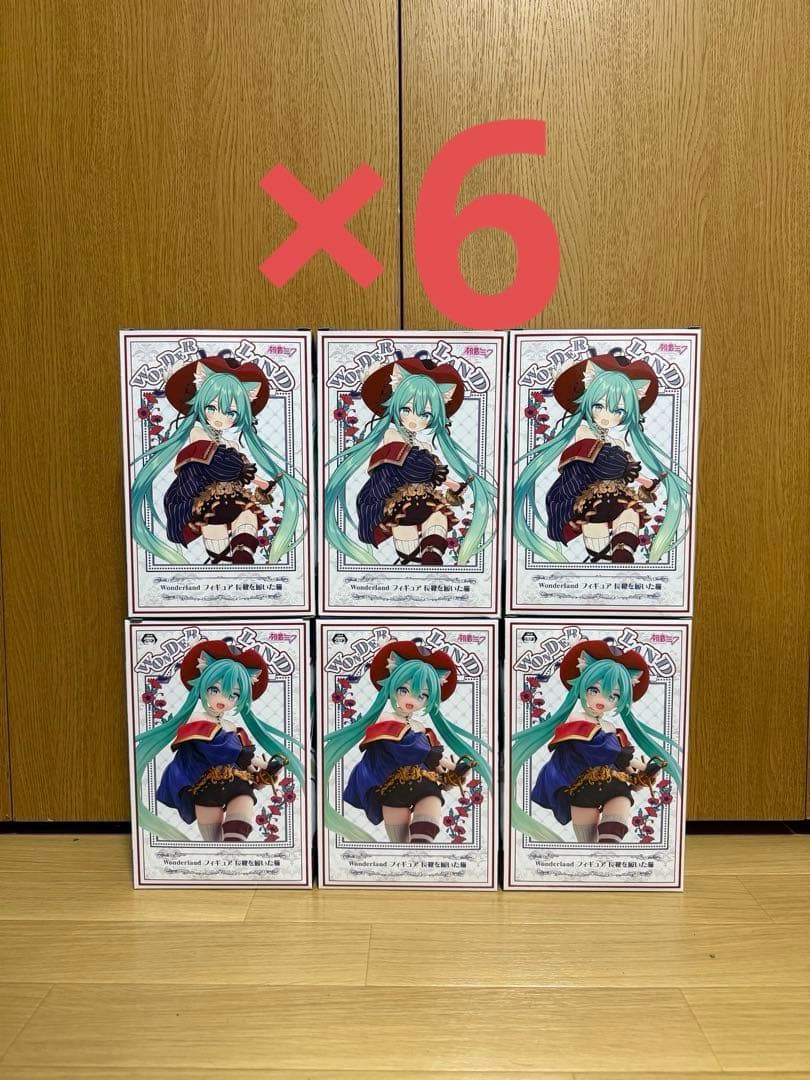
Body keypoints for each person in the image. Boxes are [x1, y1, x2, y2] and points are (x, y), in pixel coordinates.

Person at [513, 348, 690, 564]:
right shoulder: (584, 432)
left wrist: (644, 481)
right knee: (595, 521)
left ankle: (622, 551)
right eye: (599, 406)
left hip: (615, 494)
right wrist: (642, 479)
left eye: (618, 411)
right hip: (586, 496)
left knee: (629, 515)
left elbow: (620, 466)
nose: (606, 416)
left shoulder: (616, 442)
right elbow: (606, 462)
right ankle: (603, 558)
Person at [131, 349, 305, 565]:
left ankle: (242, 554)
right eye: (211, 408)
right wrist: (254, 477)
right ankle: (222, 561)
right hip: (202, 498)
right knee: (214, 524)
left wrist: (263, 483)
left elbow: (238, 469)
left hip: (230, 495)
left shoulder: (229, 444)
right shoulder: (198, 433)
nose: (219, 418)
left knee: (247, 517)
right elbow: (223, 465)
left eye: (230, 413)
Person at [324, 352, 496, 566]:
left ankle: (431, 554)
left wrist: (452, 484)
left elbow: (429, 471)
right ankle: (413, 561)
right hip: (396, 500)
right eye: (406, 409)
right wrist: (443, 477)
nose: (414, 420)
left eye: (425, 414)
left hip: (423, 498)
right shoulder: (392, 435)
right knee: (406, 530)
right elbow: (415, 467)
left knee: (437, 519)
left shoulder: (422, 445)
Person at [511, 639, 681, 844]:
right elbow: (604, 749)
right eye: (594, 690)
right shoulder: (576, 720)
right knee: (588, 844)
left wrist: (640, 778)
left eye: (613, 696)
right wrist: (642, 765)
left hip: (615, 787)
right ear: (581, 687)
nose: (602, 700)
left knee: (612, 834)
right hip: (583, 790)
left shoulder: (613, 729)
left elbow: (623, 765)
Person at [135, 638, 303, 842]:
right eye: (215, 690)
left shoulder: (234, 729)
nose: (223, 699)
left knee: (237, 831)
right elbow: (221, 748)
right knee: (213, 843)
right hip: (206, 789)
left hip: (238, 785)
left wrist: (265, 773)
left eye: (233, 695)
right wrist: (259, 762)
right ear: (202, 686)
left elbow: (248, 768)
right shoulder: (196, 720)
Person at [323, 640, 491, 843]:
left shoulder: (423, 729)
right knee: (401, 846)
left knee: (424, 834)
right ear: (392, 687)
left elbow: (434, 763)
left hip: (425, 786)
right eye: (403, 690)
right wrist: (445, 762)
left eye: (422, 695)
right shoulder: (385, 720)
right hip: (393, 790)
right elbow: (411, 747)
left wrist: (452, 774)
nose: (412, 699)